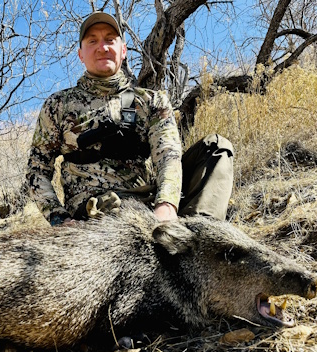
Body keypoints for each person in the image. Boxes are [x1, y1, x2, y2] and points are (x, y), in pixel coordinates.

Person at [27, 11, 234, 226]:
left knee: (216, 147)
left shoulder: (151, 101)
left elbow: (168, 157)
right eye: (92, 41)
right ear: (81, 54)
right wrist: (60, 219)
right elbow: (36, 170)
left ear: (123, 50)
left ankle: (200, 236)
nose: (103, 47)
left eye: (110, 40)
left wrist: (166, 205)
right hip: (92, 211)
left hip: (147, 203)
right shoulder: (58, 105)